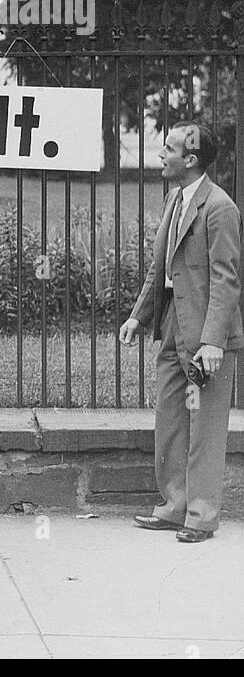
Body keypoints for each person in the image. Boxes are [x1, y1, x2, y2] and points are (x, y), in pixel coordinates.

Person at [120, 122, 241, 544]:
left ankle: (201, 517)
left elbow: (226, 281)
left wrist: (213, 341)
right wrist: (139, 316)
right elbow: (161, 267)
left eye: (168, 148)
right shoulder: (176, 198)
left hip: (207, 331)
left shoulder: (220, 208)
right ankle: (173, 507)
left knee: (204, 424)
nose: (160, 153)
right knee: (170, 417)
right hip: (172, 322)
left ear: (189, 160)